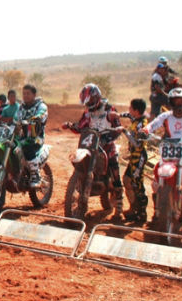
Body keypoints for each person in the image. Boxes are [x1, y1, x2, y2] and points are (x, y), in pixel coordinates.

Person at [63, 83, 123, 216]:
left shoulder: (109, 108)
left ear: (96, 97)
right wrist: (70, 126)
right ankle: (82, 185)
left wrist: (112, 134)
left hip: (106, 143)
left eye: (90, 100)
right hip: (91, 143)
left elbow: (118, 126)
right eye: (86, 101)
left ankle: (119, 202)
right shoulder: (87, 112)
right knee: (82, 162)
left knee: (114, 165)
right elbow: (81, 126)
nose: (88, 103)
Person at [117, 98, 149, 223]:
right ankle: (133, 208)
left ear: (136, 110)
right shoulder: (136, 118)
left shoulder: (142, 125)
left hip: (139, 156)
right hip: (134, 156)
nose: (129, 110)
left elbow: (136, 143)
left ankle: (142, 212)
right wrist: (117, 114)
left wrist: (125, 131)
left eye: (131, 108)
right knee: (126, 180)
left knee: (137, 184)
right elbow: (126, 114)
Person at [14, 84, 49, 188]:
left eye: (28, 93)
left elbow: (41, 115)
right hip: (22, 136)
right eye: (24, 93)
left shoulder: (41, 106)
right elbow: (16, 118)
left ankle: (35, 175)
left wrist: (33, 119)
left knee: (28, 147)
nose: (25, 96)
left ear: (34, 94)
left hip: (36, 137)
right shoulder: (21, 107)